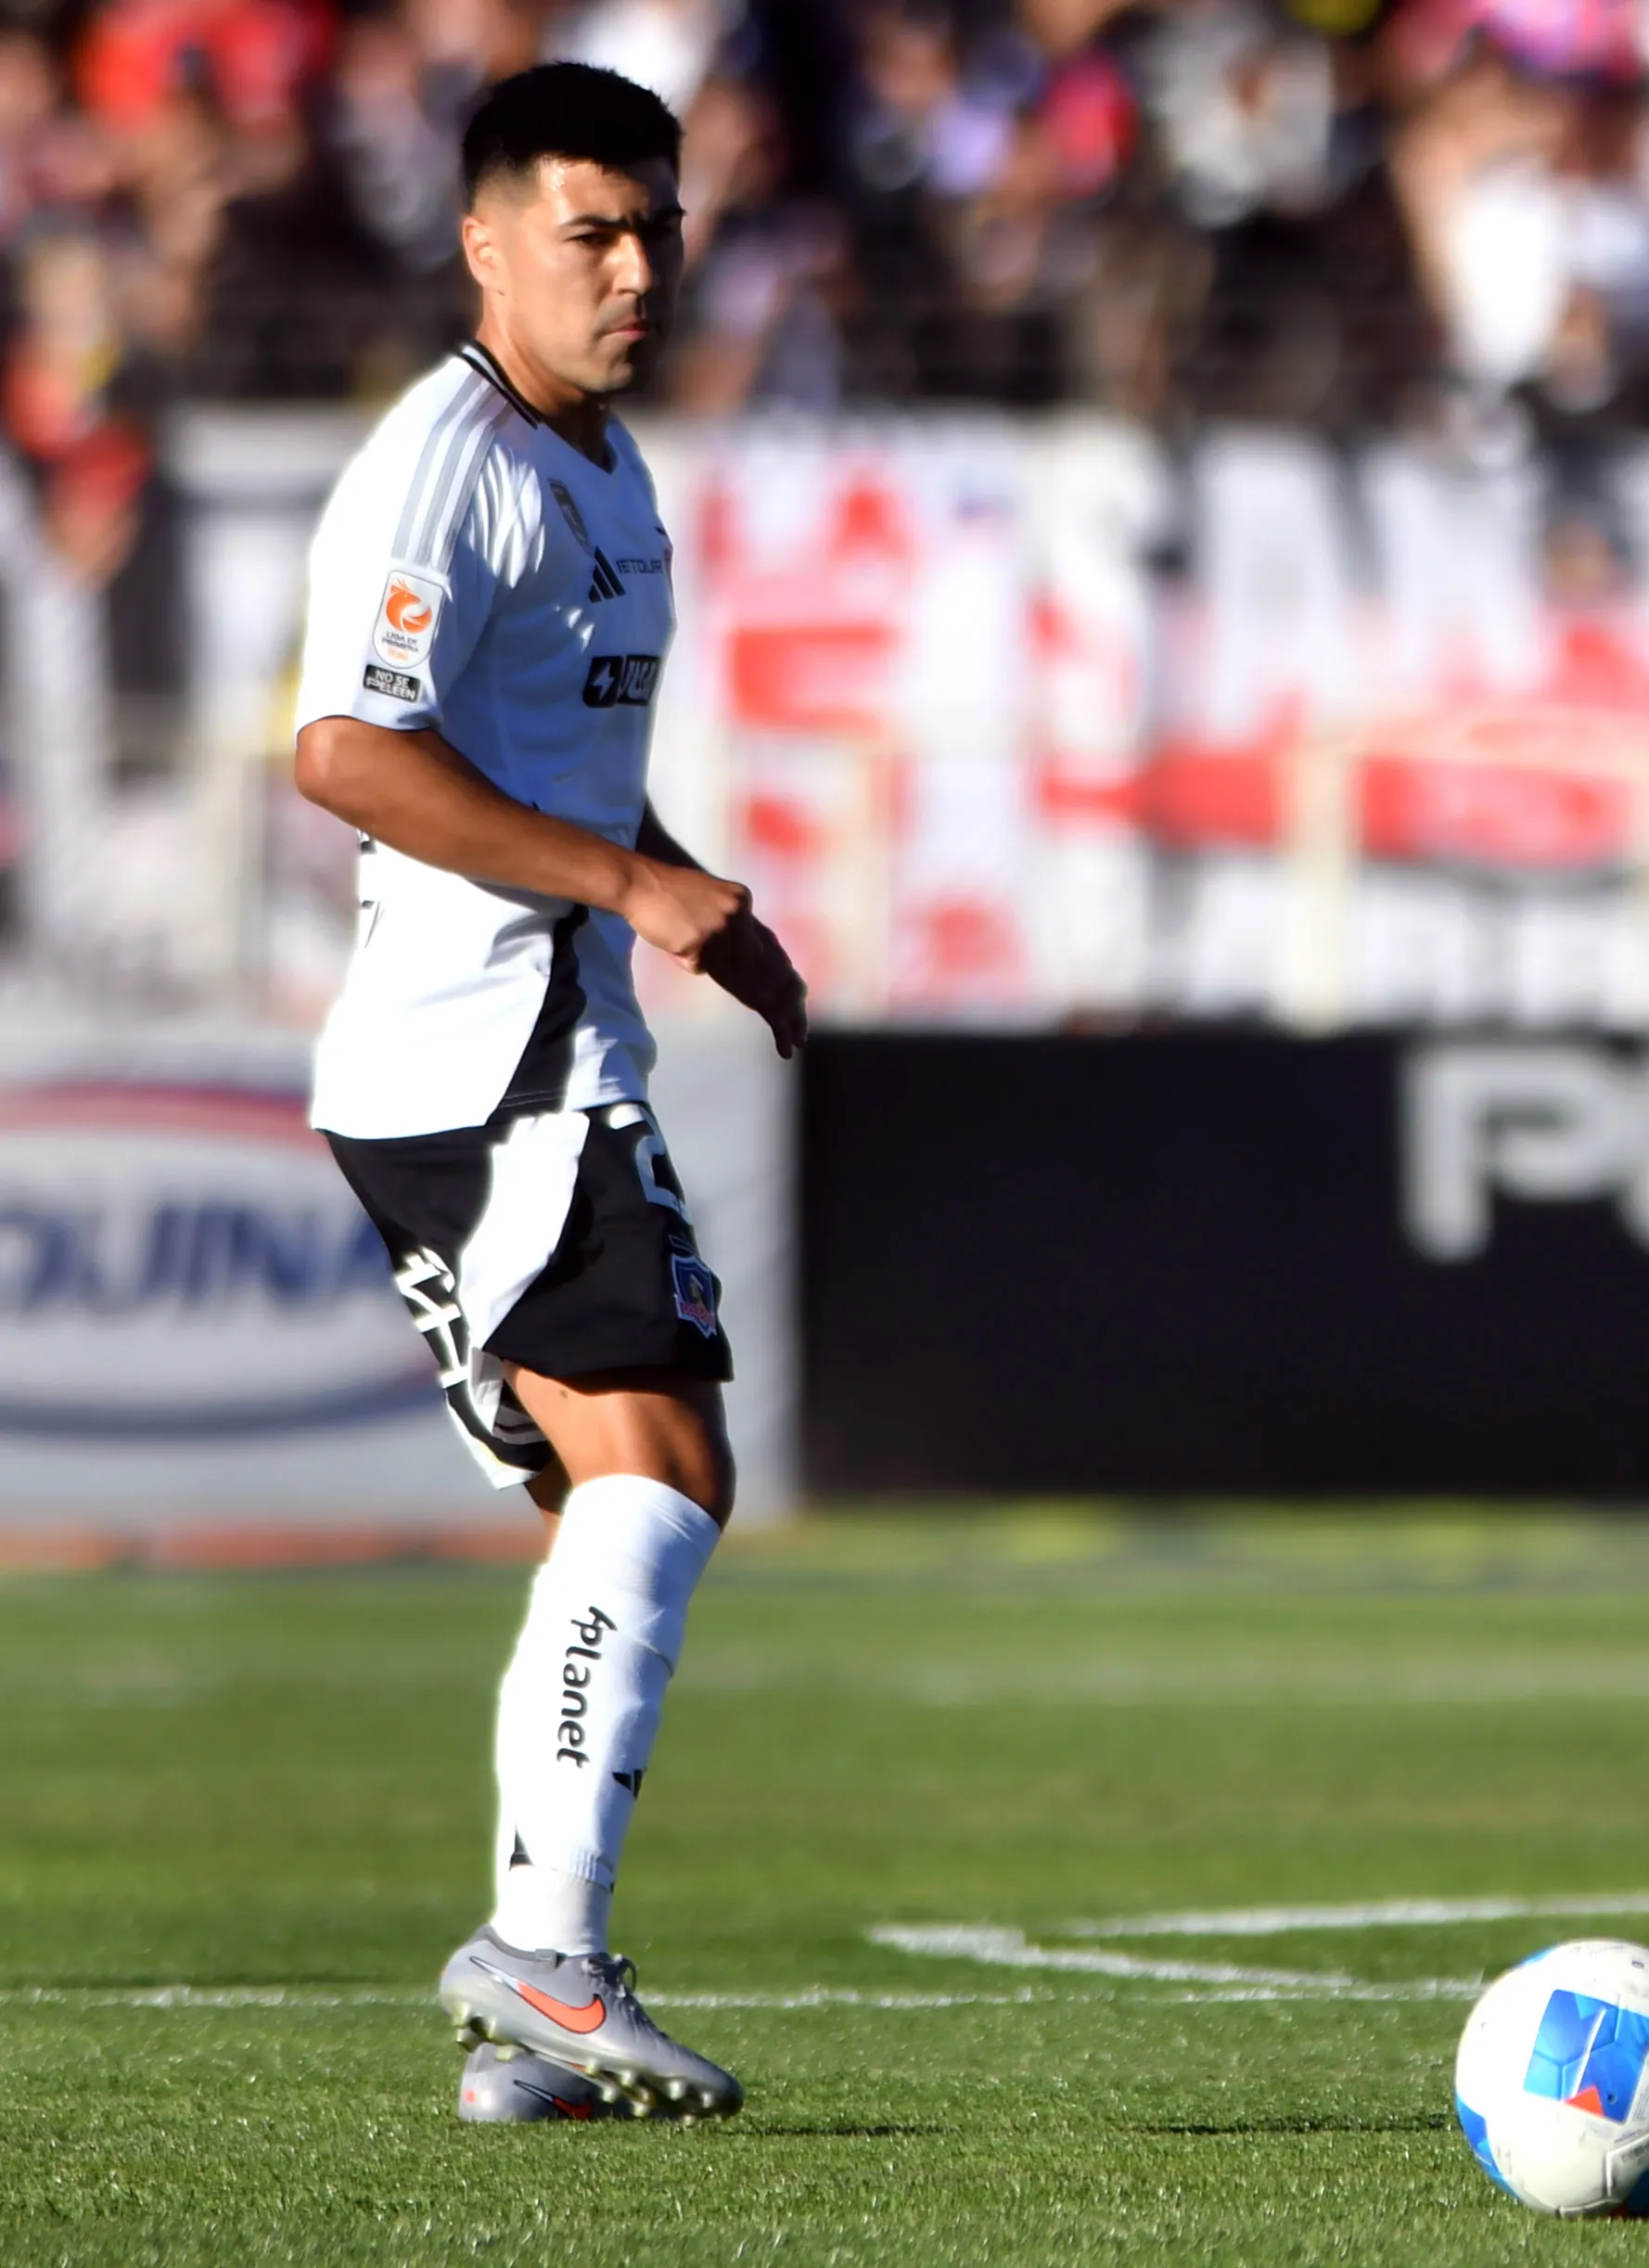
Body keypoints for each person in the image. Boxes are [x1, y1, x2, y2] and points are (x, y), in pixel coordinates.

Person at [288, 60, 807, 2126]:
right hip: (484, 1051)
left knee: (623, 1495)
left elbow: (561, 770)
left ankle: (538, 2011)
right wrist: (630, 887)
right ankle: (545, 1960)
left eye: (659, 229)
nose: (636, 269)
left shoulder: (605, 462)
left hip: (529, 1041)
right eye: (591, 232)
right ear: (485, 244)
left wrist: (677, 886)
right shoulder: (441, 465)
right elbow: (347, 749)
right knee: (659, 1469)